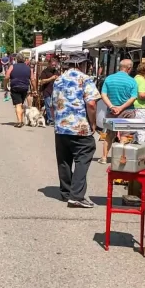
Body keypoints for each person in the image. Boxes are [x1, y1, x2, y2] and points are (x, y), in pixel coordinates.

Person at [52, 56, 101, 208]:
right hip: (79, 126)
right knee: (83, 157)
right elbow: (91, 104)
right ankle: (76, 196)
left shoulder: (58, 80)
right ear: (82, 64)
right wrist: (93, 123)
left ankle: (66, 192)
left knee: (64, 160)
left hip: (61, 126)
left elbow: (54, 104)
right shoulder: (85, 79)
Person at [7, 53, 32, 128]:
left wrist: (5, 86)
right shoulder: (28, 68)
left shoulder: (12, 66)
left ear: (17, 59)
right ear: (24, 59)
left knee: (18, 104)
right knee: (21, 103)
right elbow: (33, 79)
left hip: (15, 87)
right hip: (25, 87)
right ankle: (22, 120)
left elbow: (7, 76)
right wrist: (34, 88)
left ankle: (19, 121)